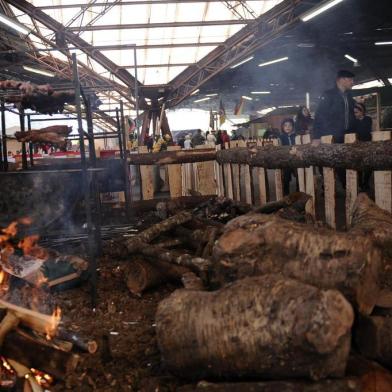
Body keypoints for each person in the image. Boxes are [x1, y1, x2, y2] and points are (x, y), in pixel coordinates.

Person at [313, 70, 356, 144]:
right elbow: (319, 115)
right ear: (341, 80)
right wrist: (317, 136)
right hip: (331, 137)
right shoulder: (328, 95)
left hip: (348, 136)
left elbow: (352, 116)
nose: (352, 82)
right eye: (350, 80)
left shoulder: (349, 96)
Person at [354, 102, 373, 191]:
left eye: (357, 112)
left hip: (367, 144)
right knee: (359, 165)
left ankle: (366, 182)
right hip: (358, 145)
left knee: (369, 165)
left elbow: (366, 130)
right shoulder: (354, 122)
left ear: (362, 111)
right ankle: (361, 183)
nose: (356, 114)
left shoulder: (368, 119)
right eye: (355, 112)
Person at [279, 119, 297, 195]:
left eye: (290, 125)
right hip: (286, 160)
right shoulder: (281, 137)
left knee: (299, 176)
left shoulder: (296, 136)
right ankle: (286, 195)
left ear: (293, 127)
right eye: (285, 125)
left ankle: (298, 192)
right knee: (286, 178)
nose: (287, 127)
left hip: (296, 160)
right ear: (282, 127)